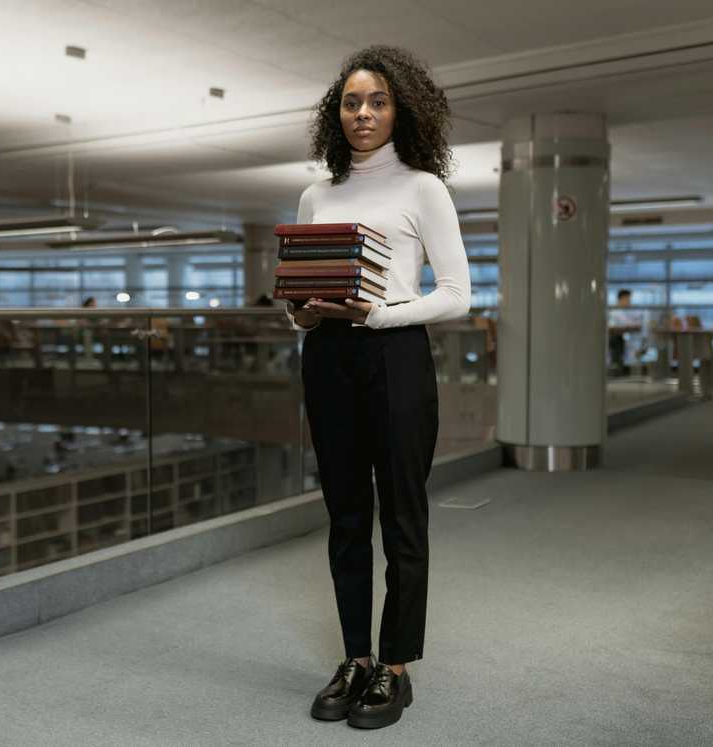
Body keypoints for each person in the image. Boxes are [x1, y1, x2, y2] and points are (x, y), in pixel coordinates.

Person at [285, 45, 470, 730]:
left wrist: (383, 312)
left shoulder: (424, 187)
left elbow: (457, 295)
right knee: (345, 518)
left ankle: (396, 668)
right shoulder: (317, 194)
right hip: (327, 355)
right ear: (337, 113)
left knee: (401, 514)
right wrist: (298, 312)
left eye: (378, 101)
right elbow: (302, 283)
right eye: (352, 102)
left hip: (395, 355)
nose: (363, 113)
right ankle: (356, 657)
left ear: (403, 109)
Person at [608, 288, 641, 376]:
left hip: (624, 340)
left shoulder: (628, 312)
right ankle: (616, 375)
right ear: (622, 298)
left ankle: (620, 374)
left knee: (622, 360)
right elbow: (611, 328)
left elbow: (638, 327)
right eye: (628, 299)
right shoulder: (614, 312)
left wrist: (627, 328)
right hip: (616, 340)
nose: (629, 301)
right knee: (617, 360)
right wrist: (627, 328)